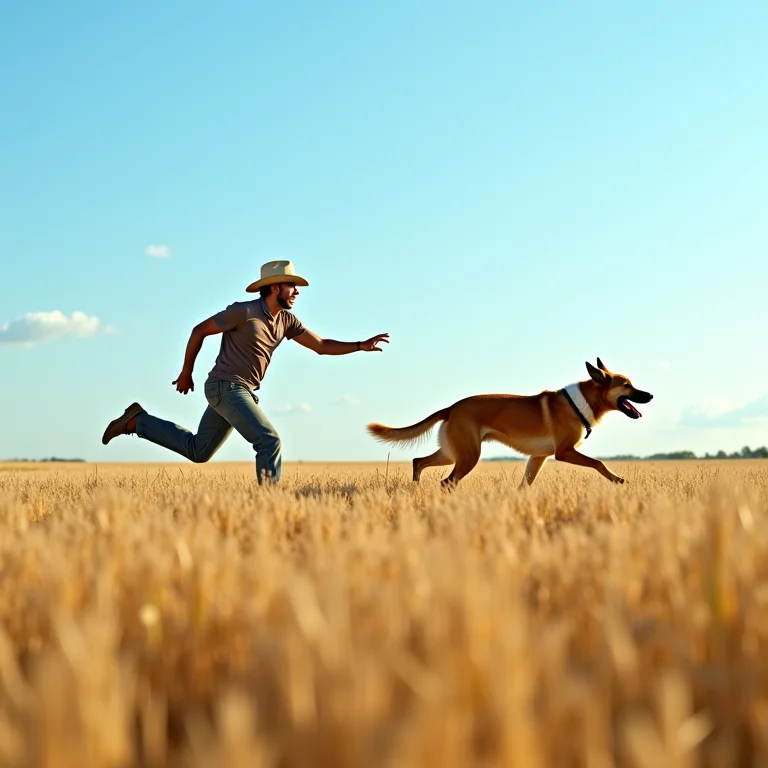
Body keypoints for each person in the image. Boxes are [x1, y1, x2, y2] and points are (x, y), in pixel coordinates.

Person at [101, 260, 389, 483]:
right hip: (225, 386)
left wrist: (360, 345)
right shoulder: (244, 311)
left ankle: (137, 421)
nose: (297, 291)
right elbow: (199, 330)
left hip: (241, 391)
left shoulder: (287, 321)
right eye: (292, 285)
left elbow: (321, 345)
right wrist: (187, 371)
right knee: (268, 440)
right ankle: (270, 505)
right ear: (274, 287)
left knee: (198, 451)